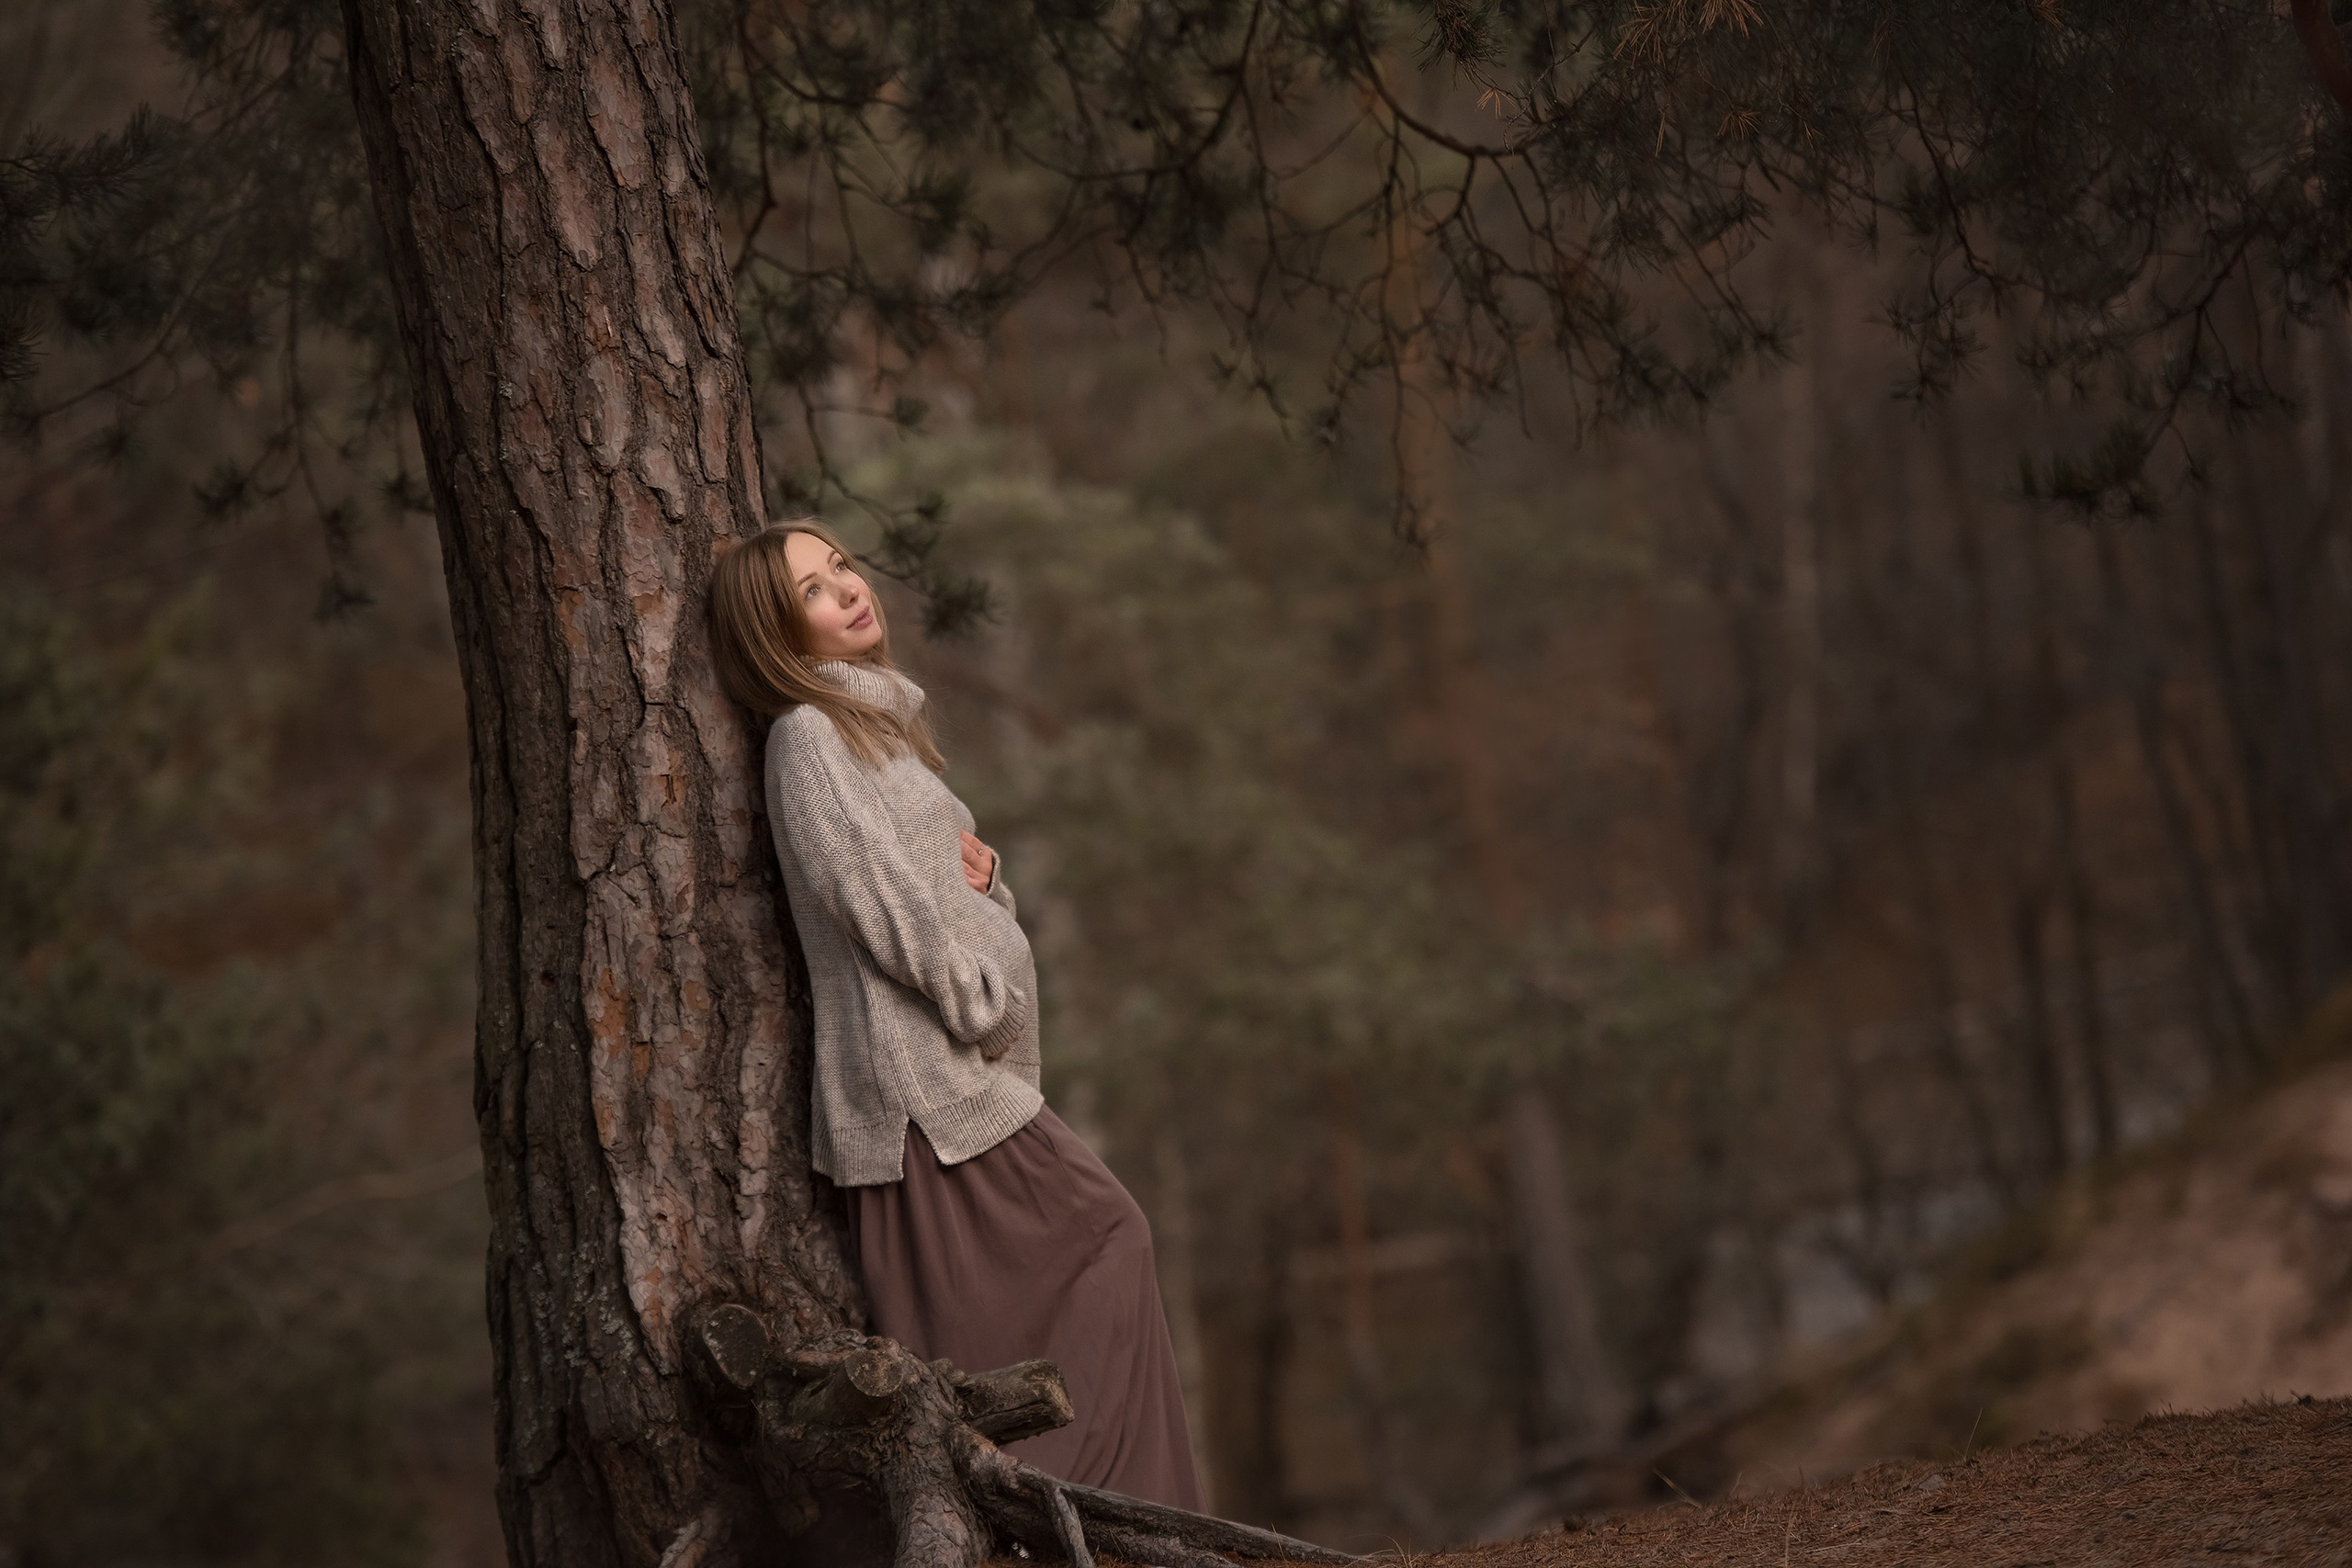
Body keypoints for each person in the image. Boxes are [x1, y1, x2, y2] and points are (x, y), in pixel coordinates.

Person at [707, 519, 1204, 1509]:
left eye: (841, 567)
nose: (847, 589)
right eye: (811, 591)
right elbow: (867, 895)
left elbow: (933, 886)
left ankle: (1100, 1526)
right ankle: (1081, 1522)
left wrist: (979, 883)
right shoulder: (808, 736)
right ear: (774, 630)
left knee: (1039, 1310)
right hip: (921, 1101)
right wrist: (974, 993)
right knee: (1105, 1238)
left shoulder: (876, 730)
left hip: (948, 1083)